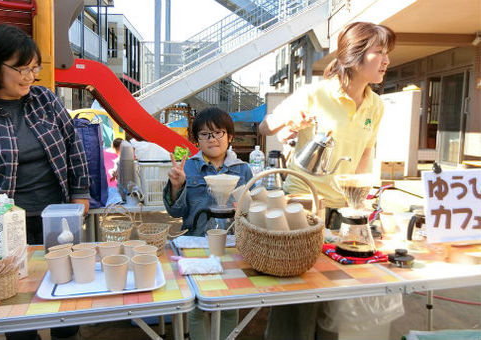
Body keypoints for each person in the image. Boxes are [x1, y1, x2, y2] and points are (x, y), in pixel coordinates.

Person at [259, 22, 395, 340]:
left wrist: (361, 202)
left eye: (388, 53)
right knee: (298, 299)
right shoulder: (315, 94)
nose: (387, 60)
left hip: (341, 210)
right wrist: (289, 121)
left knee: (332, 299)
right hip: (301, 208)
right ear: (354, 55)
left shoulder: (375, 105)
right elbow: (266, 127)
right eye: (380, 52)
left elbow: (365, 153)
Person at [0, 24, 90, 340]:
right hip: (7, 230)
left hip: (57, 220)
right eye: (21, 69)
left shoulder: (45, 100)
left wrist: (80, 194)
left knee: (66, 306)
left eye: (34, 68)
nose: (30, 76)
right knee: (18, 313)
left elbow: (73, 144)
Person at [163, 107, 253, 340]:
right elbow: (176, 211)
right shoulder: (187, 168)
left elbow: (254, 212)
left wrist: (244, 208)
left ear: (229, 136)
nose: (212, 139)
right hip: (197, 244)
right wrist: (176, 186)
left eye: (218, 133)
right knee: (197, 305)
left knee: (230, 302)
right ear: (197, 140)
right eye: (205, 134)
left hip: (232, 245)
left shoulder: (242, 169)